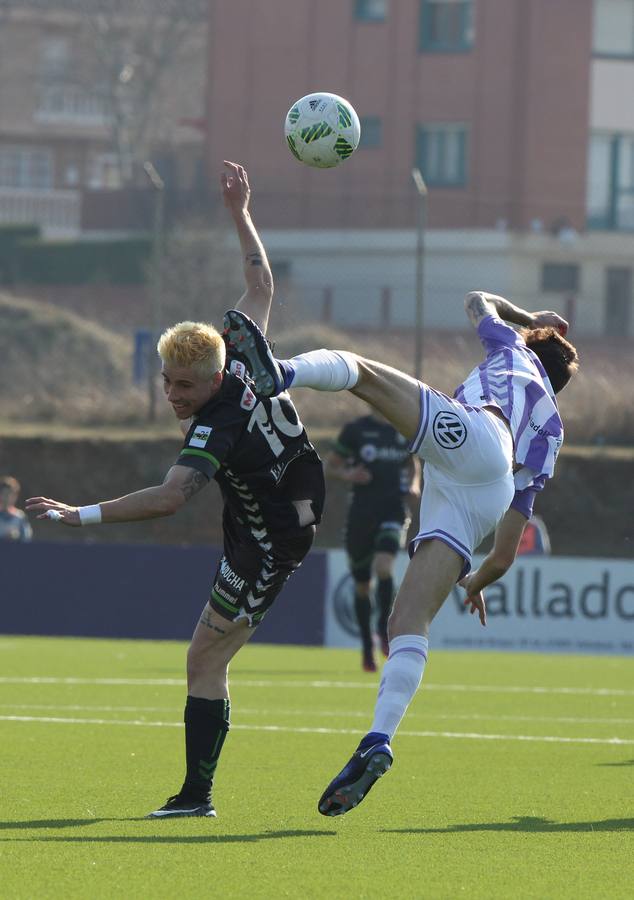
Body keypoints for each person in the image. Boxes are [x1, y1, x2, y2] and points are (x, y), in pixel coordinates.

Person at [26, 161, 325, 820]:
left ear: (215, 381)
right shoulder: (238, 344)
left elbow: (169, 498)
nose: (171, 395)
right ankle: (196, 793)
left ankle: (197, 797)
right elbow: (262, 283)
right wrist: (239, 210)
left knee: (204, 660)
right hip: (289, 490)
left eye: (183, 388)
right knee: (202, 659)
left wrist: (81, 514)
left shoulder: (218, 422)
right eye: (166, 382)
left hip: (273, 535)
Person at [224, 289, 579, 816]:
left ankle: (278, 373)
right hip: (486, 492)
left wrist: (531, 320)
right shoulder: (551, 430)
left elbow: (477, 298)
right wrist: (473, 584)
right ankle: (377, 738)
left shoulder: (513, 348)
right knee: (408, 621)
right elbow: (504, 555)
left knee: (359, 372)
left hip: (475, 440)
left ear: (531, 345)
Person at [328, 410, 420, 670]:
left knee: (384, 566)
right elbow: (330, 465)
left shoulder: (402, 427)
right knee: (362, 586)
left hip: (393, 510)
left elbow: (412, 462)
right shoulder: (355, 430)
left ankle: (384, 631)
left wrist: (414, 484)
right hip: (361, 515)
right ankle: (367, 647)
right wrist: (347, 475)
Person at [0, 476, 33, 542]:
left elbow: (26, 539)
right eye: (5, 494)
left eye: (10, 494)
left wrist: (17, 536)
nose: (7, 497)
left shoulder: (20, 517)